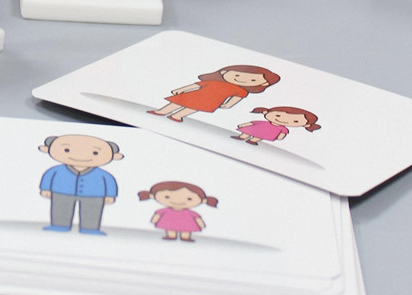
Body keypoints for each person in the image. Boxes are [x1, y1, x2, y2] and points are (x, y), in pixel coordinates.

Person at [38, 134, 123, 235]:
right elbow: (48, 177)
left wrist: (110, 195)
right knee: (60, 209)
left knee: (92, 211)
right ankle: (59, 225)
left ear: (115, 156)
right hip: (61, 192)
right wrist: (45, 188)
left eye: (95, 153)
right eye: (67, 150)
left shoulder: (103, 175)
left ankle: (90, 228)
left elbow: (110, 183)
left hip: (94, 195)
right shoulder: (56, 170)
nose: (80, 156)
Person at [148, 64, 281, 122]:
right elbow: (196, 85)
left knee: (192, 109)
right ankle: (162, 111)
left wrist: (228, 105)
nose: (242, 80)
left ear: (263, 84)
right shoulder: (213, 82)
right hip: (195, 95)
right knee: (177, 102)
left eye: (253, 80)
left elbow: (235, 99)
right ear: (224, 72)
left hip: (210, 101)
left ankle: (177, 116)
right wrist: (182, 89)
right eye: (237, 75)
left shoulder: (240, 90)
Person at [138, 182, 217, 241]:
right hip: (170, 222)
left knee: (186, 231)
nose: (178, 201)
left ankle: (185, 237)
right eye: (167, 197)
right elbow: (157, 215)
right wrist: (154, 220)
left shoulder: (190, 213)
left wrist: (202, 225)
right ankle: (171, 236)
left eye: (189, 199)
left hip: (186, 223)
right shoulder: (165, 210)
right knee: (170, 229)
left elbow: (198, 218)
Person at [233, 106, 321, 145]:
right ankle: (242, 136)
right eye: (278, 115)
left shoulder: (283, 128)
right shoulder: (263, 122)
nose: (284, 120)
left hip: (265, 133)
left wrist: (280, 137)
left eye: (295, 121)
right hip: (256, 128)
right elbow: (252, 123)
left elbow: (283, 133)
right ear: (266, 113)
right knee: (247, 131)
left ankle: (253, 140)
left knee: (259, 136)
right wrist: (243, 125)